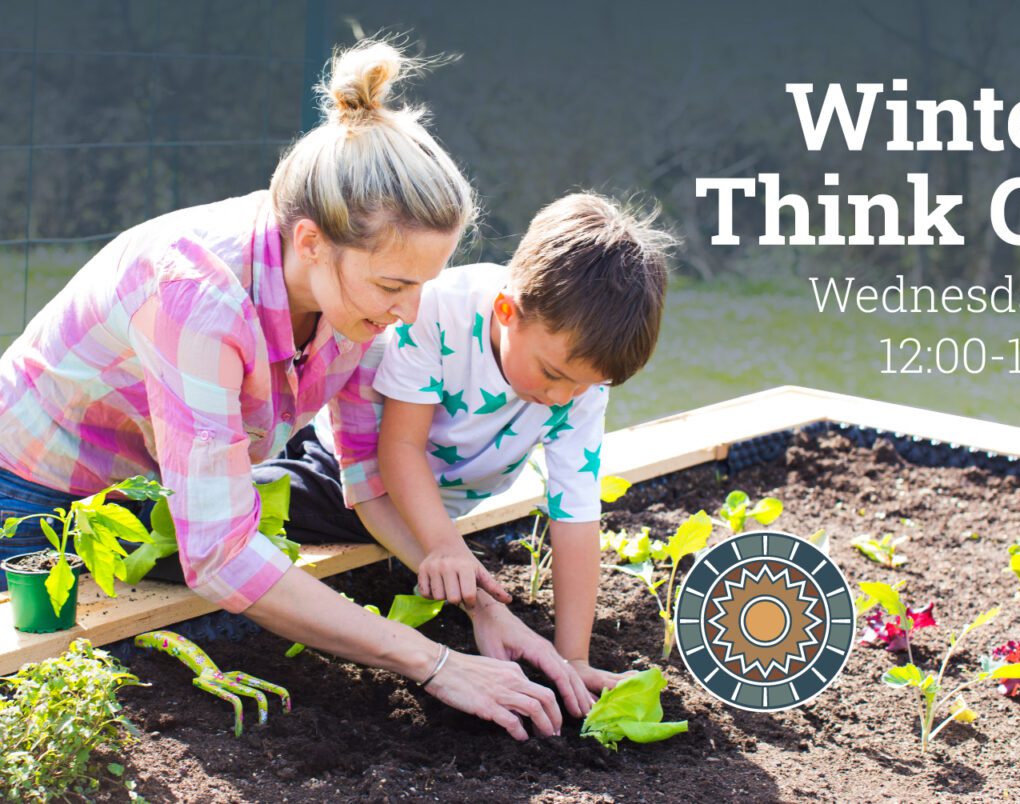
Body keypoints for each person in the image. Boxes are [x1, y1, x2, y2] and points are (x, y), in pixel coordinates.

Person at [0, 39, 588, 740]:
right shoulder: (198, 296)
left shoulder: (352, 302)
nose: (408, 314)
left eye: (423, 287)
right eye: (394, 286)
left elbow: (365, 477)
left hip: (141, 500)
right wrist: (434, 664)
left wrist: (484, 611)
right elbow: (218, 554)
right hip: (34, 499)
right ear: (310, 241)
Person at [259, 192, 673, 697]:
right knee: (246, 508)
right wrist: (443, 546)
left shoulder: (579, 379)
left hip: (433, 509)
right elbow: (399, 450)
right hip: (344, 475)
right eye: (552, 375)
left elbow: (576, 512)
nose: (562, 397)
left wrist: (574, 658)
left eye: (584, 386)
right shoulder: (440, 310)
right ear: (507, 311)